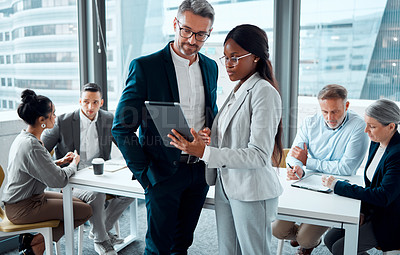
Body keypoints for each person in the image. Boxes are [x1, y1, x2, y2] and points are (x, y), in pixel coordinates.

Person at [111, 1, 217, 254]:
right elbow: (121, 129)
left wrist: (209, 132)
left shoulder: (211, 67)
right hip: (162, 173)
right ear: (175, 24)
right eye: (187, 30)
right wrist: (147, 175)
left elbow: (209, 113)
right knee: (158, 248)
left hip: (198, 171)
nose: (193, 40)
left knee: (182, 245)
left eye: (201, 34)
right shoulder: (146, 67)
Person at [169, 24, 284, 255]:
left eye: (235, 58)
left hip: (252, 190)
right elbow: (234, 136)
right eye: (226, 58)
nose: (228, 64)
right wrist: (211, 138)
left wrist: (204, 153)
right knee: (227, 251)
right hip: (226, 185)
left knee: (254, 252)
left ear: (255, 58)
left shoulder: (264, 92)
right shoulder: (238, 88)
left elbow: (259, 154)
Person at [272, 84, 369, 254]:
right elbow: (294, 155)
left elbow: (346, 168)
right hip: (307, 183)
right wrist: (297, 167)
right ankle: (303, 233)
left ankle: (307, 240)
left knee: (305, 239)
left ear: (346, 106)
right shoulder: (310, 122)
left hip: (336, 189)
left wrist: (308, 162)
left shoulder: (358, 127)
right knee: (277, 230)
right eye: (325, 112)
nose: (329, 117)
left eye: (335, 111)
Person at [41, 83, 134, 255]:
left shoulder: (108, 119)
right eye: (86, 102)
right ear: (79, 101)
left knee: (130, 191)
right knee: (95, 193)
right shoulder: (62, 121)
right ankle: (101, 239)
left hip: (100, 175)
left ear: (102, 102)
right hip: (72, 181)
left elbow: (125, 144)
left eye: (95, 102)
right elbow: (40, 152)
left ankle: (100, 230)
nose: (90, 107)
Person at [1, 89, 92, 255]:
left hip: (29, 199)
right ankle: (37, 245)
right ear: (42, 120)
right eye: (53, 113)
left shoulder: (26, 138)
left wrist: (59, 161)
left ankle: (33, 242)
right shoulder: (32, 145)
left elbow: (34, 167)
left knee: (81, 205)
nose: (56, 117)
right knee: (85, 211)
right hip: (23, 207)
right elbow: (58, 181)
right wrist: (74, 164)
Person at [322, 98, 400, 254]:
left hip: (390, 220)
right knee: (329, 239)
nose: (366, 131)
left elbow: (383, 196)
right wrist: (362, 210)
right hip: (373, 211)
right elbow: (371, 184)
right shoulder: (377, 142)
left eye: (372, 126)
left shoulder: (397, 155)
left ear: (391, 126)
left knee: (341, 248)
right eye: (366, 124)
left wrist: (339, 186)